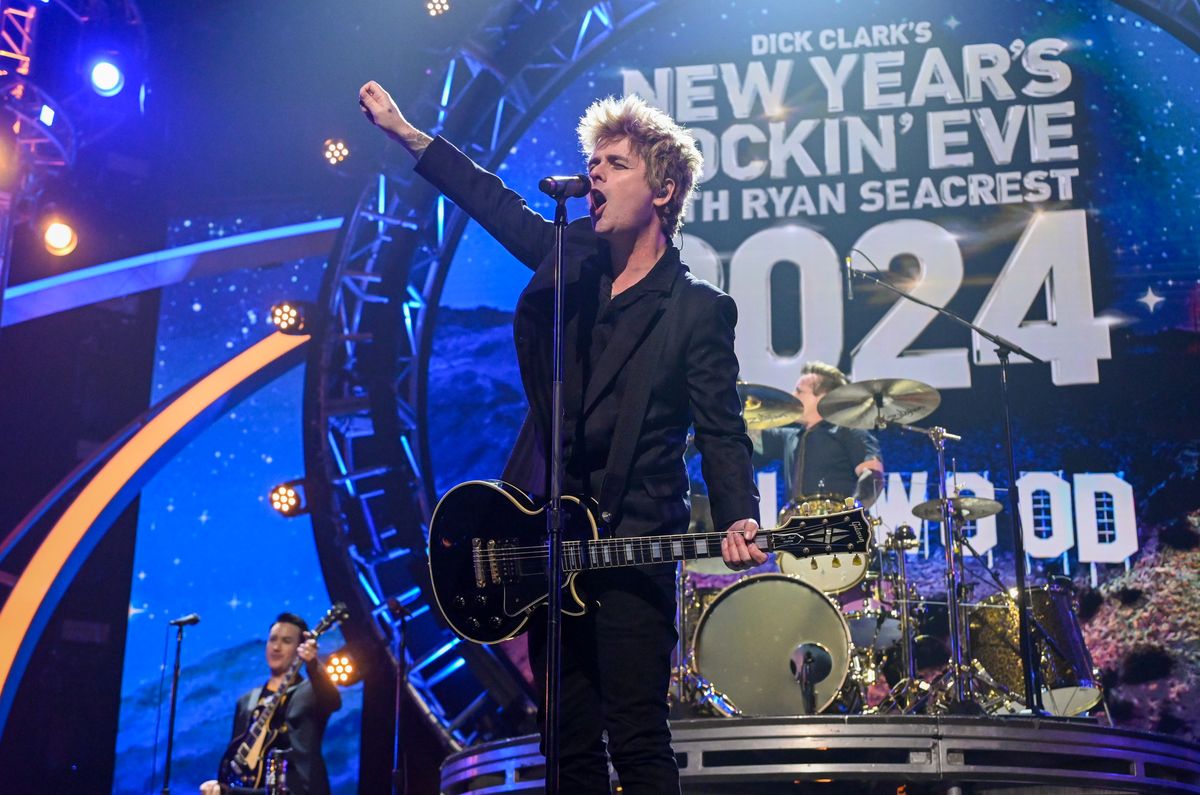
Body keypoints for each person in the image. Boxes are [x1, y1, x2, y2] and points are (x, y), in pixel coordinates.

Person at [359, 82, 763, 794]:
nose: (594, 174)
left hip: (637, 546)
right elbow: (493, 202)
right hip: (554, 547)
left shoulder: (698, 310)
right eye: (592, 161)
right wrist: (409, 134)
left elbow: (721, 427)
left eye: (613, 162)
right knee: (567, 749)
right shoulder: (566, 263)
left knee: (637, 741)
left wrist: (738, 512)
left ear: (664, 189)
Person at [199, 613, 341, 795]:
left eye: (286, 641)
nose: (276, 647)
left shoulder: (310, 691)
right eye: (272, 639)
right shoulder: (247, 701)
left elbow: (332, 701)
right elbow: (233, 758)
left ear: (300, 648)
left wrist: (313, 665)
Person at [756, 361, 884, 511]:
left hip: (838, 529)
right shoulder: (791, 438)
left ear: (823, 397)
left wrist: (851, 511)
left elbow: (873, 475)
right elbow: (749, 434)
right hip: (799, 529)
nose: (792, 396)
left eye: (799, 391)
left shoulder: (847, 430)